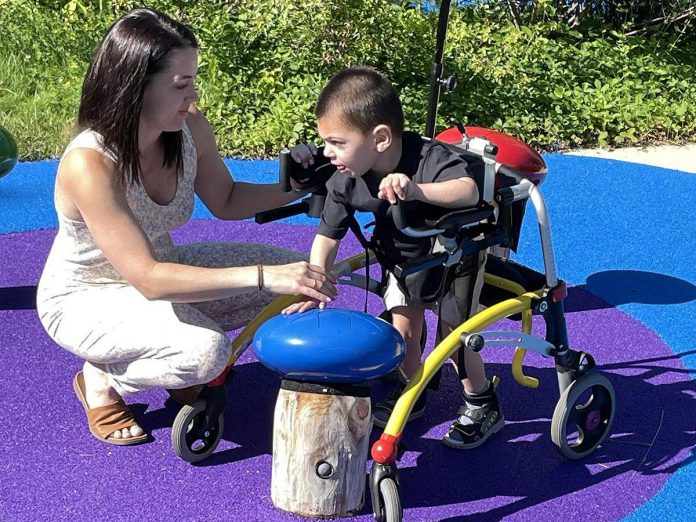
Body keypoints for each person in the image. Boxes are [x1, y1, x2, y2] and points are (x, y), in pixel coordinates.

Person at [36, 8, 337, 446]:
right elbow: (148, 280)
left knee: (304, 279)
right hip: (87, 297)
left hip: (163, 269)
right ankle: (103, 378)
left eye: (193, 80)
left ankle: (168, 349)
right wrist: (261, 276)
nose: (191, 95)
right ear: (134, 86)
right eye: (181, 84)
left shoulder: (188, 126)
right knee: (208, 352)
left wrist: (297, 184)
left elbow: (227, 199)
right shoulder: (91, 163)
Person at [283, 67, 503, 449]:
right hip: (404, 257)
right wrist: (315, 279)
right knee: (403, 333)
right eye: (325, 142)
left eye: (336, 142)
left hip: (455, 253)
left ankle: (481, 401)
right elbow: (327, 234)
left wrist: (416, 189)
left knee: (454, 338)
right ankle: (412, 385)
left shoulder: (428, 158)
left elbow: (468, 191)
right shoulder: (346, 175)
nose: (327, 152)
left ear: (380, 138)